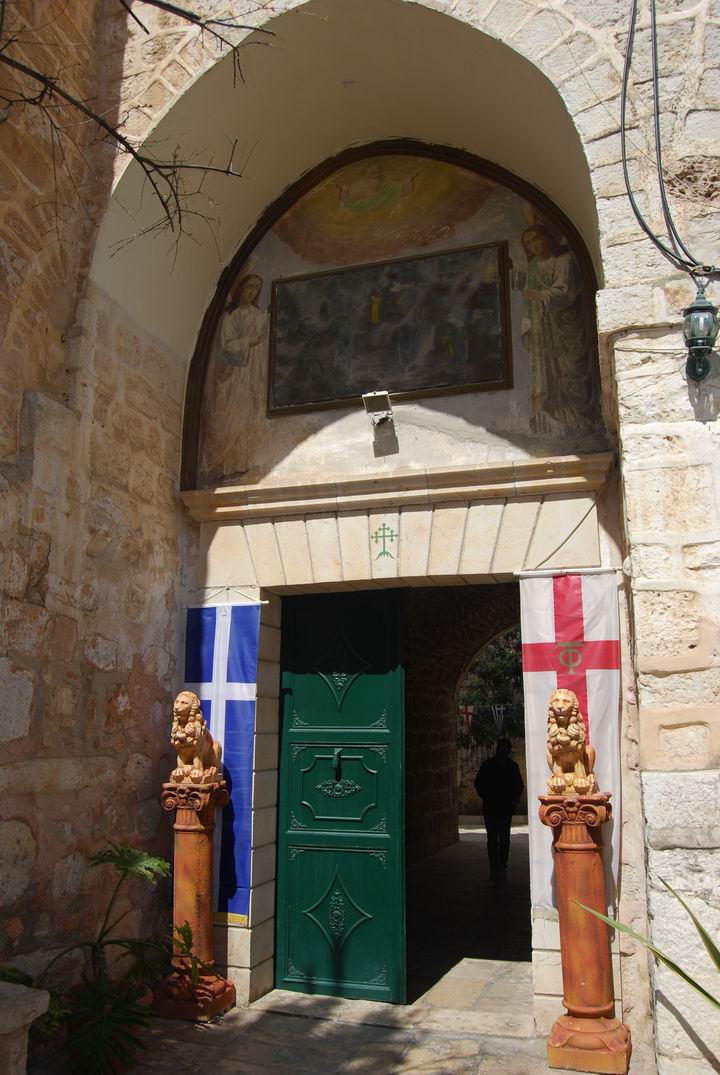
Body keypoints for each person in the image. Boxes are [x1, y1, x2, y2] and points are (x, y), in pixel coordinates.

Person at [518, 223, 600, 435]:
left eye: (536, 239)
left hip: (568, 325)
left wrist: (537, 295)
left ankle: (583, 420)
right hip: (544, 328)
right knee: (550, 372)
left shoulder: (565, 260)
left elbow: (565, 292)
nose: (533, 245)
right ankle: (559, 418)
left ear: (548, 237)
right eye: (528, 243)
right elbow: (528, 302)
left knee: (571, 368)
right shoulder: (533, 266)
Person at [474, 738, 524, 884]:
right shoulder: (495, 765)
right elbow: (479, 784)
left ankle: (499, 866)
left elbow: (518, 786)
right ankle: (497, 867)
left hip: (500, 808)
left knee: (500, 839)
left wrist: (511, 800)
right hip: (495, 807)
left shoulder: (508, 766)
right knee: (497, 839)